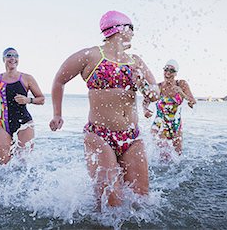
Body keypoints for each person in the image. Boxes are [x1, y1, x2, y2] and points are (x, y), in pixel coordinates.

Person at [49, 11, 159, 208]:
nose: (133, 34)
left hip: (131, 137)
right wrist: (57, 114)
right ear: (121, 28)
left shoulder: (136, 61)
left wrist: (142, 84)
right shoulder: (90, 55)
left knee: (142, 200)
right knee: (111, 202)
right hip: (100, 135)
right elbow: (59, 80)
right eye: (131, 28)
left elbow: (154, 94)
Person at [0, 47, 44, 165]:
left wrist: (28, 100)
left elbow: (41, 99)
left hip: (24, 122)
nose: (13, 58)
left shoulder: (27, 78)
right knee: (3, 163)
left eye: (16, 56)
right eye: (9, 55)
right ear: (3, 59)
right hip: (2, 123)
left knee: (24, 162)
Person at [143, 59, 196, 156]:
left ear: (176, 73)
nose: (168, 72)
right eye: (166, 69)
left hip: (175, 124)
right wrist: (145, 109)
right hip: (159, 124)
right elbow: (146, 99)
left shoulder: (181, 84)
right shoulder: (158, 87)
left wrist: (181, 93)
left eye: (172, 71)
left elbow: (192, 102)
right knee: (160, 155)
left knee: (177, 157)